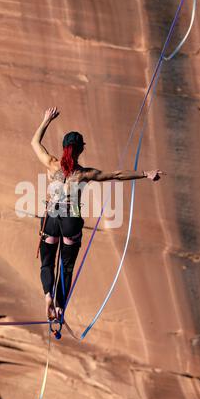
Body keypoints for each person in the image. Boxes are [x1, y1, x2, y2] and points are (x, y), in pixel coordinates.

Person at [31, 107, 165, 321]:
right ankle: (59, 306)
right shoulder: (84, 173)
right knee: (66, 266)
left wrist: (46, 120)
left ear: (64, 147)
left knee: (47, 263)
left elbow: (35, 143)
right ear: (81, 150)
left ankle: (48, 295)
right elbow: (117, 175)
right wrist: (145, 174)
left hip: (50, 218)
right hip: (70, 221)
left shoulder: (51, 164)